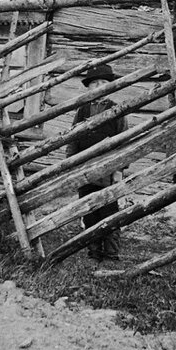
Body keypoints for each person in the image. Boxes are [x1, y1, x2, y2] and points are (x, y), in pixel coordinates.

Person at [65, 64, 127, 261]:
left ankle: (111, 253)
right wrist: (71, 164)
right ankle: (94, 251)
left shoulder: (117, 110)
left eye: (103, 83)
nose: (99, 87)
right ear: (88, 88)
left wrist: (118, 171)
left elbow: (124, 142)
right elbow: (73, 139)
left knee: (109, 211)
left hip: (108, 171)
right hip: (85, 169)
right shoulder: (82, 111)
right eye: (94, 84)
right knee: (89, 210)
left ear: (110, 86)